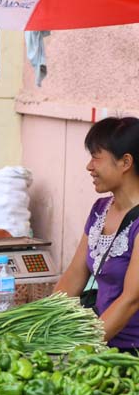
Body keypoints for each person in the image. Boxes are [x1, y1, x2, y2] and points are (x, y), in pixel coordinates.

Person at [55, 117, 139, 351]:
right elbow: (74, 275)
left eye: (96, 157)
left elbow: (131, 299)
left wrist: (85, 347)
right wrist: (43, 321)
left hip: (129, 352)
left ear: (125, 162)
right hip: (102, 340)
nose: (89, 167)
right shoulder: (100, 209)